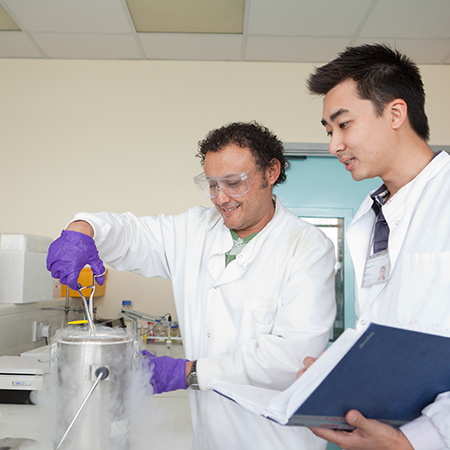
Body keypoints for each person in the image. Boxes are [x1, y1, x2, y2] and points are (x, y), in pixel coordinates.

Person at [47, 121, 336, 450]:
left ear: (271, 172)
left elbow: (293, 354)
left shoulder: (308, 247)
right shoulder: (194, 230)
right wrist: (83, 228)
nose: (221, 198)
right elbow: (131, 234)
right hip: (209, 438)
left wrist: (189, 372)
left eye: (233, 183)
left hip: (273, 440)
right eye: (211, 185)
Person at [305, 43, 450, 450]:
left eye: (343, 125)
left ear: (395, 113)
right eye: (329, 131)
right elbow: (382, 330)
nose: (334, 145)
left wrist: (415, 441)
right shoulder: (369, 217)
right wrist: (337, 378)